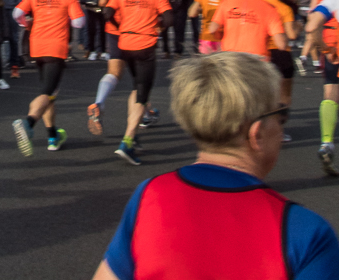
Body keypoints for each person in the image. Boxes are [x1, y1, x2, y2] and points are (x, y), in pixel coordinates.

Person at [92, 52, 339, 280]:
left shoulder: (149, 196)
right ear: (257, 134)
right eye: (280, 116)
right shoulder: (304, 231)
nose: (282, 125)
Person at [11, 0, 84, 155]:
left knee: (50, 94)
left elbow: (17, 13)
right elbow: (79, 22)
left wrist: (26, 23)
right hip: (56, 47)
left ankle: (53, 135)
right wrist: (65, 17)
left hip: (37, 47)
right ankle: (28, 123)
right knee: (47, 92)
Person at [104, 0, 172, 165]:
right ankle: (127, 140)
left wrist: (121, 24)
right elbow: (169, 18)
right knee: (142, 91)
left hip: (125, 43)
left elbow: (106, 12)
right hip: (146, 45)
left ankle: (135, 136)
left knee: (136, 88)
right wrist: (158, 28)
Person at [88, 0, 138, 136]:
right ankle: (140, 119)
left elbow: (102, 1)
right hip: (133, 31)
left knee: (113, 73)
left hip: (113, 30)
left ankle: (98, 103)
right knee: (139, 78)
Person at [209, 0, 287, 58]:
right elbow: (281, 44)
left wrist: (222, 37)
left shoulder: (226, 2)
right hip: (257, 60)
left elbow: (212, 29)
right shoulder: (270, 9)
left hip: (230, 58)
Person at [305, 0, 339, 175]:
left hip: (337, 51)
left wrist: (325, 49)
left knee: (331, 94)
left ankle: (327, 143)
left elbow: (311, 26)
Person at [264, 0, 299, 142]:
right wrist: (299, 26)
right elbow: (291, 35)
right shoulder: (284, 8)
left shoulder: (258, 5)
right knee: (283, 95)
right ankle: (278, 129)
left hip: (260, 51)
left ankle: (259, 129)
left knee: (262, 94)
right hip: (281, 52)